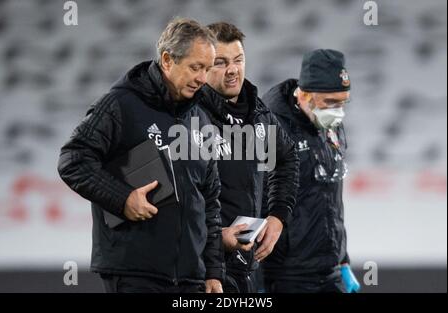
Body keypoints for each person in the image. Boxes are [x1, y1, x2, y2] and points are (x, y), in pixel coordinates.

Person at [57, 18, 225, 293]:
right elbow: (73, 160)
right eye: (196, 67)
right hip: (135, 274)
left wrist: (214, 272)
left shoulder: (202, 120)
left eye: (207, 69)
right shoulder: (120, 104)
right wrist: (122, 199)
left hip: (191, 281)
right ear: (168, 60)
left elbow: (210, 202)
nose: (203, 79)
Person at [198, 22, 299, 293]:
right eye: (221, 62)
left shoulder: (258, 112)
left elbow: (287, 158)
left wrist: (278, 216)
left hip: (246, 265)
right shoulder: (189, 116)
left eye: (238, 60)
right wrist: (215, 242)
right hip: (202, 267)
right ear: (203, 66)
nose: (232, 70)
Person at [262, 49, 358, 293]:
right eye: (330, 103)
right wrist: (255, 281)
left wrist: (343, 259)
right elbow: (252, 202)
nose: (338, 111)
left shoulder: (328, 125)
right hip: (287, 276)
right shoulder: (268, 129)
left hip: (330, 271)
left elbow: (331, 199)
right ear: (304, 95)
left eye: (342, 102)